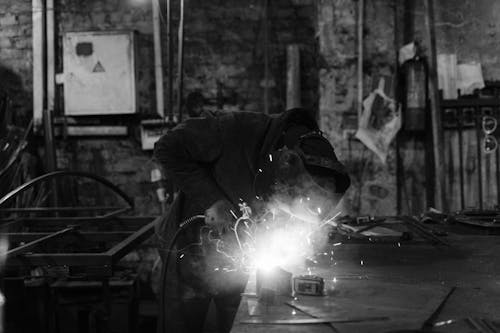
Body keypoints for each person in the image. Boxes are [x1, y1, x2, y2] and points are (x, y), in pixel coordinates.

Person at [153, 108, 350, 333]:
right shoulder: (234, 130)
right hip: (187, 249)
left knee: (242, 326)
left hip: (236, 261)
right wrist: (212, 200)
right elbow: (166, 148)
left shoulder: (299, 160)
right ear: (285, 161)